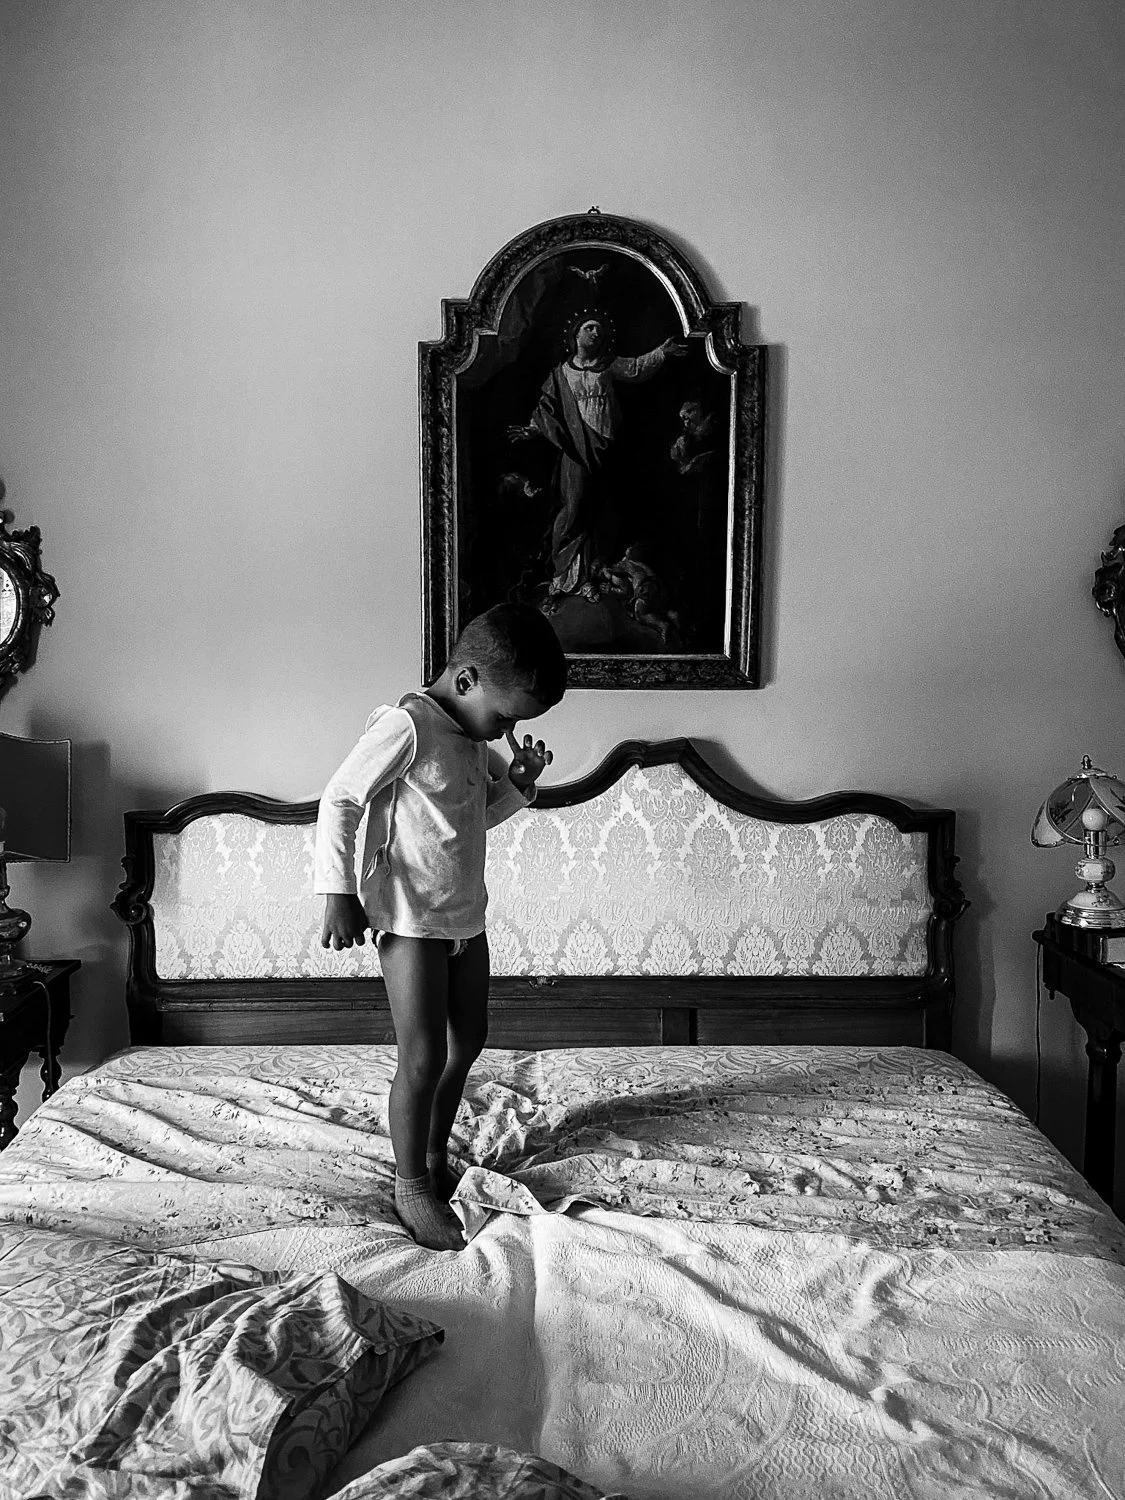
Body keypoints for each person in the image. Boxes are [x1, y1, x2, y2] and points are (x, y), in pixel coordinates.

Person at [314, 603, 567, 1250]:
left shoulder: (471, 738)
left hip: (464, 917)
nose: (507, 730)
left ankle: (432, 1155)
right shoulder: (407, 725)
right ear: (466, 679)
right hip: (409, 920)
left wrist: (518, 784)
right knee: (423, 1055)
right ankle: (411, 1186)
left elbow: (473, 816)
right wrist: (338, 892)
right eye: (505, 716)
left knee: (468, 1041)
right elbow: (340, 798)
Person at [507, 312, 685, 598]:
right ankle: (564, 572)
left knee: (600, 508)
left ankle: (594, 572)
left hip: (606, 448)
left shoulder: (607, 365)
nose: (595, 333)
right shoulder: (561, 373)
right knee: (573, 506)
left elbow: (637, 368)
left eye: (599, 330)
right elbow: (547, 409)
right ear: (575, 335)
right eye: (589, 328)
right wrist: (532, 430)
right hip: (575, 449)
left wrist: (661, 352)